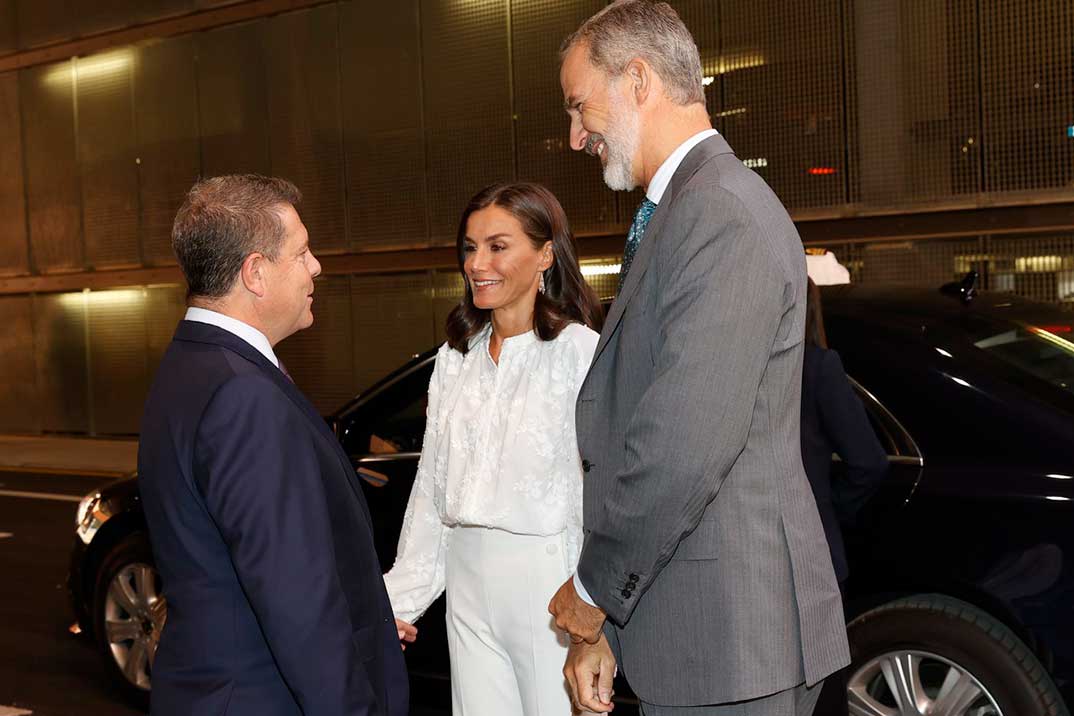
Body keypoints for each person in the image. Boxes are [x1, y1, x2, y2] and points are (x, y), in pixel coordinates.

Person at [547, 2, 851, 715]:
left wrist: (594, 594)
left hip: (731, 642)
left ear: (640, 80)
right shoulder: (689, 208)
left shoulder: (719, 213)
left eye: (578, 105)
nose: (573, 135)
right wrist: (614, 634)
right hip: (708, 632)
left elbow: (683, 445)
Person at [138, 174, 411, 716]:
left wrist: (365, 618)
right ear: (255, 273)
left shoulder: (189, 365)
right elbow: (296, 603)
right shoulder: (244, 394)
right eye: (303, 252)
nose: (316, 267)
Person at [383, 182, 603, 716]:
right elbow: (432, 493)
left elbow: (596, 492)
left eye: (497, 246)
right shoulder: (454, 358)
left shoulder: (581, 354)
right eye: (469, 247)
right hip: (466, 578)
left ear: (546, 253)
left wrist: (592, 612)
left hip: (549, 583)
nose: (477, 263)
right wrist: (396, 602)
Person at [800, 277, 888, 716]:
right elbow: (869, 461)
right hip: (817, 561)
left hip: (756, 565)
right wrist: (831, 510)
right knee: (824, 692)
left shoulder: (739, 370)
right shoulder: (816, 366)